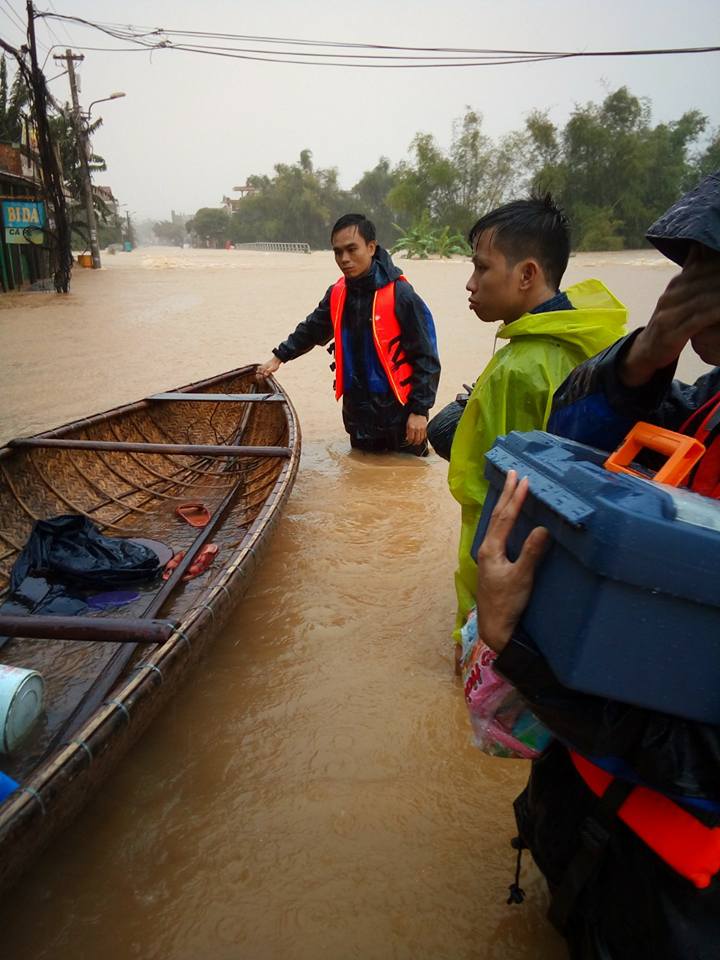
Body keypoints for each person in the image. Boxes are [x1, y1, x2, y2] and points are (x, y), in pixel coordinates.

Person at [476, 173, 720, 959]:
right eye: (688, 262)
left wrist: (518, 646)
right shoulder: (706, 403)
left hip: (681, 900)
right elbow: (570, 449)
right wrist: (639, 362)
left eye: (710, 264)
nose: (689, 286)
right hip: (596, 824)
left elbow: (697, 750)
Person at [440, 195, 626, 657]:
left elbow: (508, 502)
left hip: (502, 584)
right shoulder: (582, 342)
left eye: (481, 268)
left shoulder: (520, 368)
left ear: (526, 275)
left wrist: (483, 617)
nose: (470, 283)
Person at [256, 213, 440, 455]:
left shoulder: (401, 295)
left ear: (371, 247)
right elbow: (311, 330)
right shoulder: (337, 294)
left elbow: (426, 357)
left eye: (352, 249)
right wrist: (278, 357)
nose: (344, 259)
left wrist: (420, 411)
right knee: (361, 478)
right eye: (338, 252)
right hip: (358, 413)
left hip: (400, 415)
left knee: (408, 478)